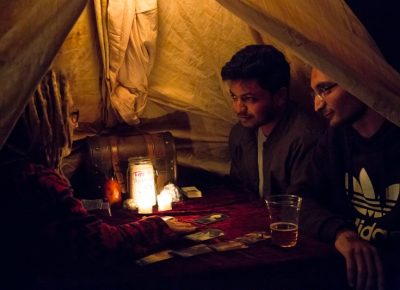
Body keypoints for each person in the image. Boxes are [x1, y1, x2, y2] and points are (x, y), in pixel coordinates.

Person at [0, 71, 196, 289]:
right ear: (45, 117)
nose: (75, 124)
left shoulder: (11, 163)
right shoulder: (34, 180)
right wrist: (158, 227)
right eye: (70, 113)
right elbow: (101, 244)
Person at [303, 68, 400, 290]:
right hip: (351, 276)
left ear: (360, 80)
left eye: (326, 89)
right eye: (314, 93)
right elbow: (299, 197)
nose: (317, 105)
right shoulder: (337, 135)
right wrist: (340, 232)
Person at [220, 44, 324, 198]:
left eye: (249, 99)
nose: (238, 108)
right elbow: (238, 193)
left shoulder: (306, 138)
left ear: (280, 96)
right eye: (234, 97)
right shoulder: (240, 133)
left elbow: (304, 206)